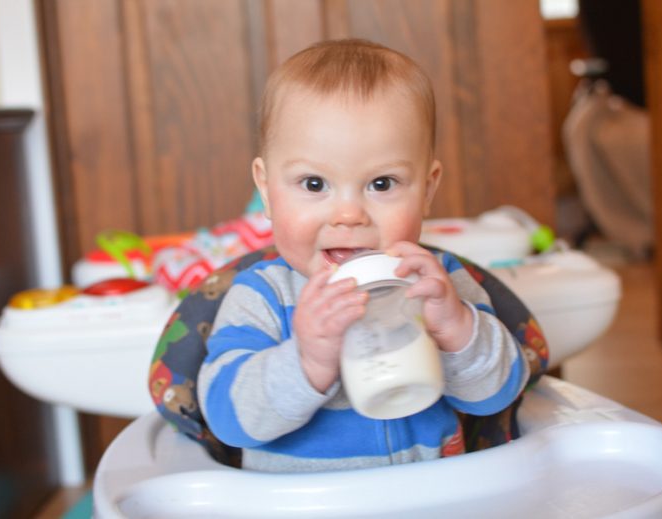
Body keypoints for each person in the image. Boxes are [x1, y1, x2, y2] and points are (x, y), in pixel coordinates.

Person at [197, 39, 529, 472]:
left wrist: (457, 330)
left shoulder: (436, 285)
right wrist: (307, 360)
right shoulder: (261, 297)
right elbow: (228, 420)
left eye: (382, 184)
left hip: (431, 499)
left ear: (427, 188)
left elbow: (497, 395)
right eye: (314, 184)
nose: (349, 215)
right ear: (266, 188)